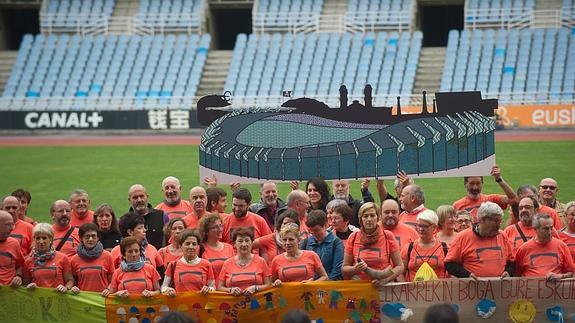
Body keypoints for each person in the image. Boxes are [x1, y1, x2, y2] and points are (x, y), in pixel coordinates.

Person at [444, 202, 515, 279]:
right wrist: (467, 275)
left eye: (500, 221)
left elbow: (511, 262)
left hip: (499, 288)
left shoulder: (502, 236)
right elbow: (449, 264)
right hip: (472, 288)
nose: (499, 225)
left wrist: (508, 272)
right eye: (496, 221)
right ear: (482, 220)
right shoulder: (463, 237)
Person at [342, 202, 403, 286]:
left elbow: (400, 266)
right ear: (361, 219)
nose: (369, 219)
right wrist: (355, 269)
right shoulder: (353, 237)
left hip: (383, 287)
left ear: (378, 218)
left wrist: (385, 279)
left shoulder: (387, 236)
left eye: (372, 215)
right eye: (365, 216)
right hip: (360, 287)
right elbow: (344, 269)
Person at [515, 213, 574, 279]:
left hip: (555, 288)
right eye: (545, 229)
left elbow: (571, 272)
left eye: (551, 228)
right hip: (531, 288)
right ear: (535, 229)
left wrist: (559, 276)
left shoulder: (562, 246)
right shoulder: (524, 249)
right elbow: (516, 274)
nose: (549, 232)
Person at [217, 227, 272, 295]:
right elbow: (219, 287)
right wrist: (230, 290)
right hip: (234, 304)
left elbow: (269, 285)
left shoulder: (261, 261)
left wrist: (256, 288)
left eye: (247, 241)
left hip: (258, 304)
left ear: (252, 243)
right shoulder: (227, 263)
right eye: (240, 241)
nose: (244, 244)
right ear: (234, 244)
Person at [398, 210, 449, 282]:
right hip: (414, 291)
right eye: (419, 225)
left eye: (425, 226)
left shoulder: (445, 248)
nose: (421, 229)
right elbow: (400, 273)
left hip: (438, 291)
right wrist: (407, 289)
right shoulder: (409, 248)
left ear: (434, 228)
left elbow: (452, 273)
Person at [452, 165, 517, 221]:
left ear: (482, 183)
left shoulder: (492, 200)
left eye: (478, 183)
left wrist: (499, 179)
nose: (475, 187)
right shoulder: (457, 205)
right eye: (471, 183)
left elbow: (513, 199)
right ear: (465, 184)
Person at [23, 223, 74, 293]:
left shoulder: (63, 258)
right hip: (37, 301)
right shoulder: (28, 260)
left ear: (51, 239)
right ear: (34, 239)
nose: (41, 241)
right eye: (38, 238)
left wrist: (65, 288)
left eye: (44, 238)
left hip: (58, 299)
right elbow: (24, 285)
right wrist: (29, 286)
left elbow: (70, 280)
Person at [161, 229, 215, 295]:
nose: (191, 247)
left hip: (201, 305)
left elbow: (212, 286)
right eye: (187, 244)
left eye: (194, 244)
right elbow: (163, 287)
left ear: (198, 246)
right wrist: (168, 290)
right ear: (181, 246)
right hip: (179, 304)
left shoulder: (207, 264)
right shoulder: (172, 265)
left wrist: (208, 289)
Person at [70, 223, 114, 295]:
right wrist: (74, 287)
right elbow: (72, 281)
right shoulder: (74, 259)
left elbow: (112, 280)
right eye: (87, 236)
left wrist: (108, 289)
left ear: (98, 238)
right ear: (81, 238)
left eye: (93, 236)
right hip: (83, 299)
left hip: (102, 299)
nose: (90, 239)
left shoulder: (107, 256)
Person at [300, 210, 343, 280]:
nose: (314, 234)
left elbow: (337, 271)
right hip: (308, 284)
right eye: (311, 231)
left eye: (317, 230)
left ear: (326, 225)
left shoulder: (336, 243)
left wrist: (320, 283)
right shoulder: (306, 242)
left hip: (328, 285)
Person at [128, 184, 168, 249]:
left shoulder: (162, 216)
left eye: (142, 196)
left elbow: (169, 241)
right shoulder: (125, 221)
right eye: (135, 197)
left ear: (147, 197)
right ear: (129, 200)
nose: (139, 200)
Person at [198, 214, 234, 283]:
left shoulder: (229, 248)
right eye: (215, 227)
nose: (220, 229)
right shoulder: (200, 249)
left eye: (220, 226)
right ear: (206, 231)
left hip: (227, 291)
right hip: (210, 291)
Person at [0, 210, 24, 287]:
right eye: (8, 225)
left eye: (12, 224)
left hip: (9, 292)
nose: (12, 228)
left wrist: (18, 276)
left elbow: (20, 265)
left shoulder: (14, 243)